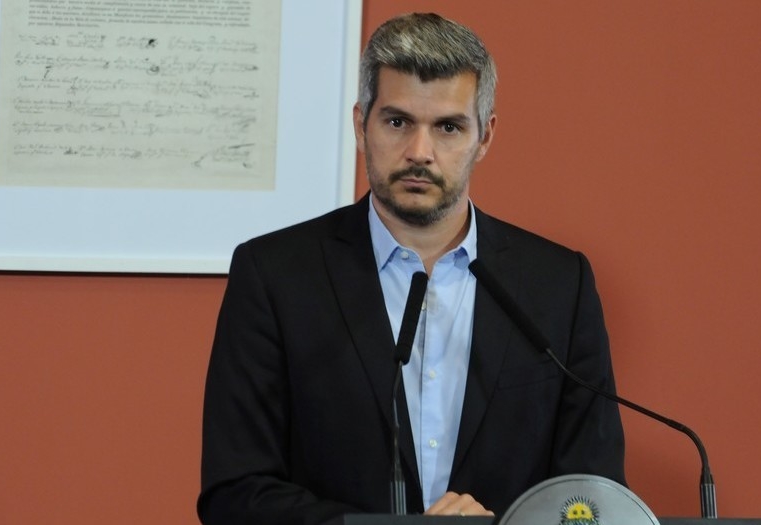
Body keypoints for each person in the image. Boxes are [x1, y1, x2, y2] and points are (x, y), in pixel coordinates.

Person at [198, 12, 625, 525]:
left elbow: (592, 494)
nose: (420, 153)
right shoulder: (274, 276)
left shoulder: (558, 286)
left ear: (485, 136)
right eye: (397, 122)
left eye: (448, 127)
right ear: (361, 125)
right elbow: (235, 493)